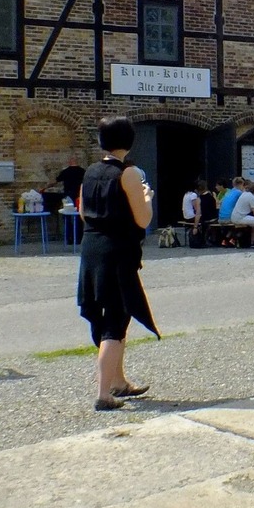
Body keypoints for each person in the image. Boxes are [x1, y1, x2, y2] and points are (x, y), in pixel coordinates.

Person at [77, 116, 159, 410]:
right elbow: (143, 219)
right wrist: (147, 198)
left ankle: (119, 382)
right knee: (115, 320)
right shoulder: (129, 173)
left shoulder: (89, 172)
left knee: (109, 316)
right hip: (117, 252)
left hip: (91, 249)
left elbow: (84, 214)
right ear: (129, 141)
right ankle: (103, 393)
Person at [230, 178, 254, 247]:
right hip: (241, 217)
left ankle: (253, 241)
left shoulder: (245, 194)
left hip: (234, 216)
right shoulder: (253, 198)